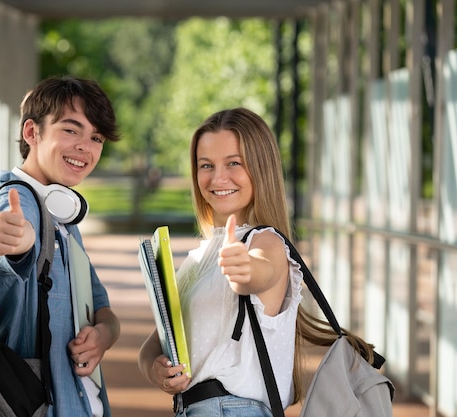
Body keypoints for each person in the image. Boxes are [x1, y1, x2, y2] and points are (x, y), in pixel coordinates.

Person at [138, 107, 375, 416]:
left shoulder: (267, 241)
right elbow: (151, 348)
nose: (218, 177)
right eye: (206, 165)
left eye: (234, 163)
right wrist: (156, 370)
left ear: (260, 168)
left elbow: (259, 271)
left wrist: (243, 270)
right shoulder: (198, 259)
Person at [0, 75, 121, 417]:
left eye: (96, 137)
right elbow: (9, 257)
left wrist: (104, 334)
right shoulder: (19, 205)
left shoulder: (61, 216)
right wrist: (19, 245)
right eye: (71, 130)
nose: (85, 147)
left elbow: (102, 306)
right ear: (32, 132)